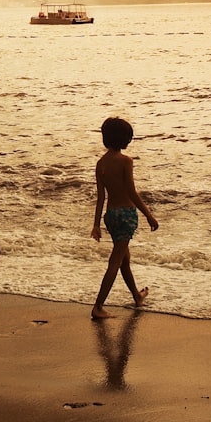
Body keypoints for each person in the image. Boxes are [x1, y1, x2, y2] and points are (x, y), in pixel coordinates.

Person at [90, 117, 159, 319]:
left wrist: (96, 224)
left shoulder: (101, 163)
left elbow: (101, 197)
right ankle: (98, 306)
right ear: (123, 139)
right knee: (115, 261)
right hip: (126, 215)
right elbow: (132, 192)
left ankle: (137, 297)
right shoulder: (125, 161)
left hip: (110, 216)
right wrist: (149, 215)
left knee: (124, 260)